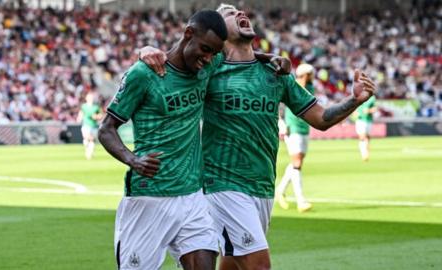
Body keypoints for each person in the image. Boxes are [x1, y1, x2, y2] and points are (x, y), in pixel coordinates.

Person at [140, 4, 376, 270]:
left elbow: (320, 118)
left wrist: (354, 100)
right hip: (222, 185)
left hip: (262, 186)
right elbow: (177, 59)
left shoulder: (276, 74)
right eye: (230, 14)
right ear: (218, 33)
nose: (241, 14)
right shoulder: (209, 70)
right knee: (259, 265)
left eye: (241, 12)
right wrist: (148, 51)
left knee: (232, 264)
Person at [98, 10, 227, 270]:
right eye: (204, 49)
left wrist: (272, 59)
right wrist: (133, 160)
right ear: (188, 34)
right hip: (150, 197)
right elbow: (107, 129)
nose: (208, 58)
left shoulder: (208, 65)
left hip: (192, 196)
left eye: (213, 52)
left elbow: (240, 51)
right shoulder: (144, 74)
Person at [275, 63, 315, 213]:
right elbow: (279, 103)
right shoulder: (291, 85)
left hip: (304, 128)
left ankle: (280, 191)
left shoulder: (310, 87)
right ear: (305, 74)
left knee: (297, 163)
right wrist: (281, 122)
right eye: (310, 73)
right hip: (293, 128)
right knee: (297, 163)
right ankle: (300, 200)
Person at [77, 92, 102, 160]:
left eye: (92, 97)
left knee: (92, 140)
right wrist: (79, 118)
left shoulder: (96, 107)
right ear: (86, 98)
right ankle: (88, 151)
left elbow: (101, 116)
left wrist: (96, 117)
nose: (91, 99)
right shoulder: (84, 106)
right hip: (86, 125)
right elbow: (81, 113)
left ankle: (90, 152)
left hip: (94, 126)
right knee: (87, 138)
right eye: (89, 97)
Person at [355, 95, 377, 161]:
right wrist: (355, 113)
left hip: (368, 120)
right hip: (360, 120)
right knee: (362, 136)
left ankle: (366, 152)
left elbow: (375, 109)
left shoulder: (372, 98)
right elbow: (354, 107)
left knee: (367, 137)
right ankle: (364, 154)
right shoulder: (358, 96)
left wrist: (369, 111)